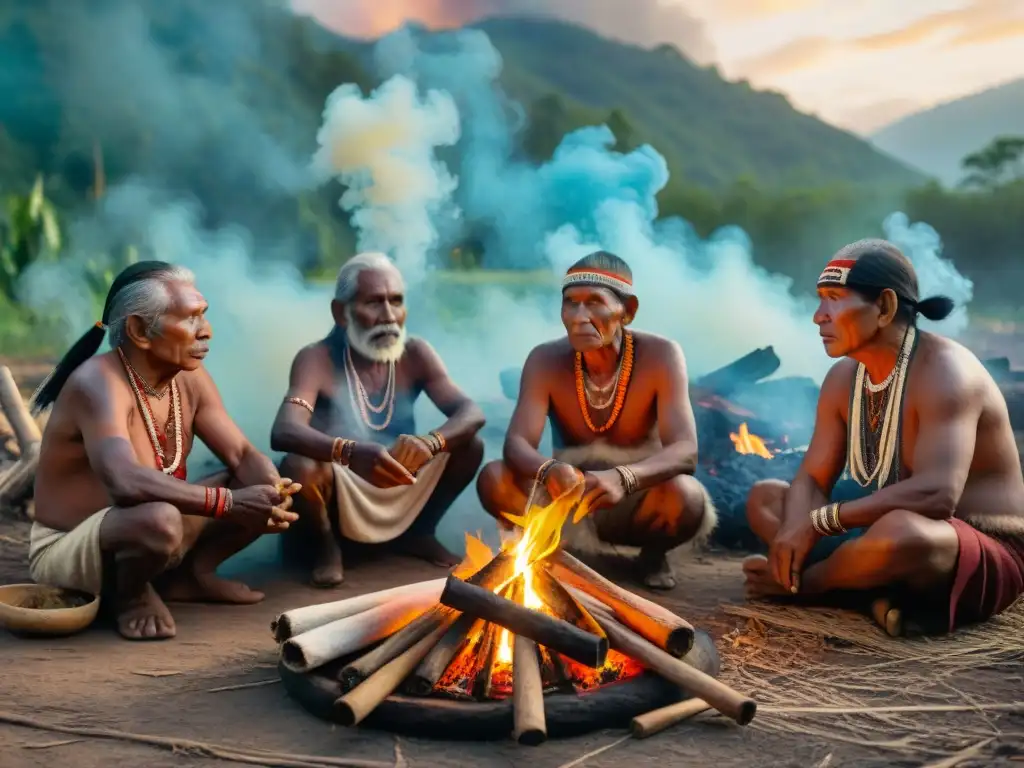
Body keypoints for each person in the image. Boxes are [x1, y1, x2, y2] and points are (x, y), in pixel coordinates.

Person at [744, 239, 1024, 634]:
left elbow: (936, 495)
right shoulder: (844, 378)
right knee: (767, 498)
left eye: (834, 298)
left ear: (884, 308)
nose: (818, 316)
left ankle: (810, 585)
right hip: (881, 528)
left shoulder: (947, 371)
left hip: (971, 544)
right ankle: (871, 590)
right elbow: (811, 478)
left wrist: (819, 524)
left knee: (902, 535)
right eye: (820, 299)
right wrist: (795, 528)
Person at [28, 261, 300, 641]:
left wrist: (272, 492)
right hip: (73, 545)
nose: (206, 331)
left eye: (204, 315)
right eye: (190, 319)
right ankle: (131, 596)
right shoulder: (97, 384)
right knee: (161, 521)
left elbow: (240, 453)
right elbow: (124, 481)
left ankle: (192, 576)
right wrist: (228, 504)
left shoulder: (190, 378)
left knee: (258, 480)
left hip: (152, 526)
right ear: (140, 330)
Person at [476, 251, 716, 590]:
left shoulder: (661, 355)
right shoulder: (545, 359)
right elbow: (516, 444)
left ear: (627, 311)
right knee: (494, 479)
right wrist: (549, 470)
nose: (579, 316)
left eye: (594, 303)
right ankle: (544, 551)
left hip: (633, 498)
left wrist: (624, 478)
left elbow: (686, 450)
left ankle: (653, 553)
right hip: (565, 498)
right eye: (570, 303)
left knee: (685, 498)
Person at [270, 252, 486, 588]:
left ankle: (420, 533)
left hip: (398, 476)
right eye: (373, 303)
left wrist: (431, 442)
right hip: (341, 485)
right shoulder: (317, 358)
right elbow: (285, 430)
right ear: (341, 312)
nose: (388, 316)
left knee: (468, 444)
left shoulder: (415, 353)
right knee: (299, 465)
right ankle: (327, 546)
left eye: (395, 301)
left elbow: (471, 412)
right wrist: (350, 452)